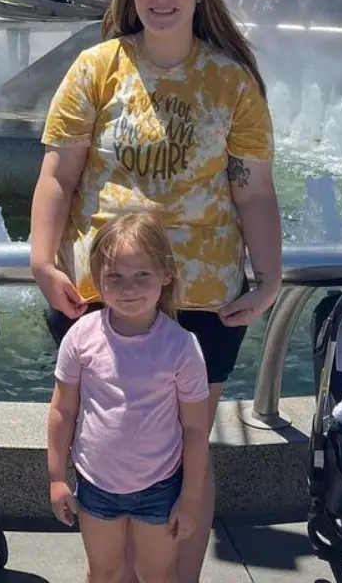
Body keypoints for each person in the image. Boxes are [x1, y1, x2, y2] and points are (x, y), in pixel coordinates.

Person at [32, 0, 283, 583]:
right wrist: (42, 261)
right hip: (101, 294)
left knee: (189, 453)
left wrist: (270, 276)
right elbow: (58, 175)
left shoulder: (232, 83)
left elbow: (253, 192)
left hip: (204, 300)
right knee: (113, 449)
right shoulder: (95, 68)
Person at [48, 213, 210, 583]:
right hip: (95, 483)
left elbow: (196, 429)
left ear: (166, 275)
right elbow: (63, 409)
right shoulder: (81, 338)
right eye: (114, 277)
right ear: (97, 278)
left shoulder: (182, 347)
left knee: (157, 573)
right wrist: (57, 478)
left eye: (142, 275)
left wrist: (190, 498)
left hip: (160, 487)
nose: (129, 288)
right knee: (103, 572)